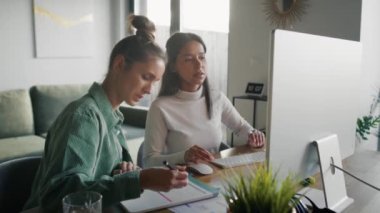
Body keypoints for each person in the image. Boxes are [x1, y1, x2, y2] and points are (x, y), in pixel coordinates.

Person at [23, 15, 188, 212]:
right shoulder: (83, 117)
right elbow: (60, 197)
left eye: (155, 82)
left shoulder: (113, 117)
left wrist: (122, 174)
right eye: (146, 77)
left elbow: (98, 177)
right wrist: (140, 179)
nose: (149, 90)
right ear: (119, 64)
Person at [143, 32, 266, 168]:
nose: (199, 64)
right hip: (180, 181)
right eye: (189, 59)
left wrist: (253, 135)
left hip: (213, 175)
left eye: (202, 57)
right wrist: (183, 156)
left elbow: (241, 127)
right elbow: (149, 161)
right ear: (173, 66)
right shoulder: (160, 107)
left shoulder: (216, 98)